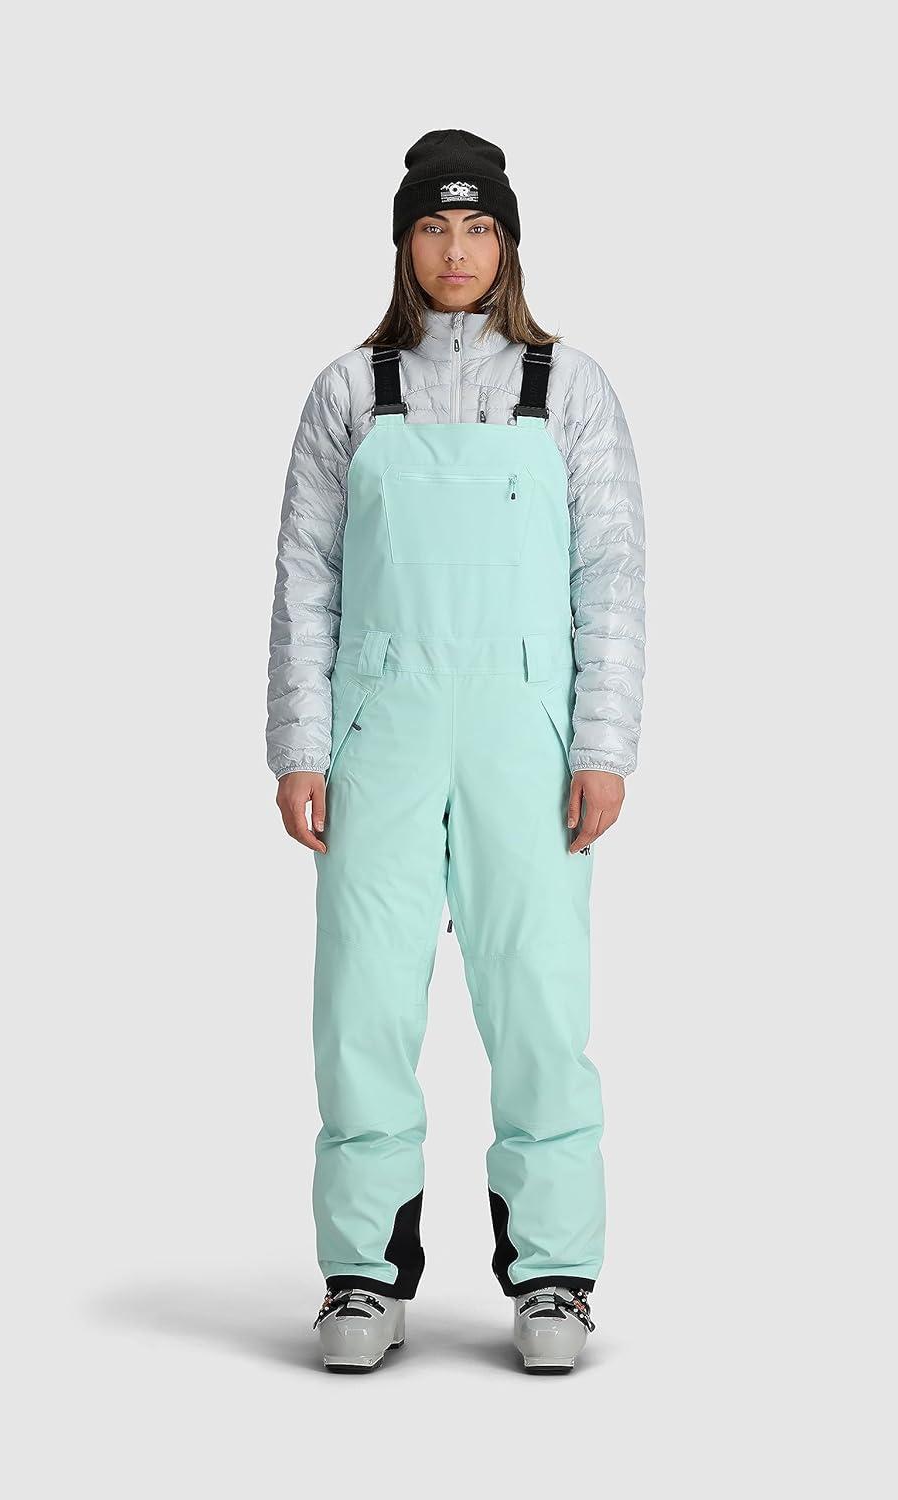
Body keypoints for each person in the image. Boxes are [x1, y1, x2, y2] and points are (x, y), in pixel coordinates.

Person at [265, 129, 646, 1373]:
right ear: (403, 242)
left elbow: (612, 575)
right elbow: (305, 581)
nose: (456, 250)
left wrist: (604, 745)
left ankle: (554, 1278)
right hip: (378, 729)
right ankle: (363, 1274)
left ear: (510, 242)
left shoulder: (566, 386)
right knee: (362, 1004)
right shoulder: (349, 391)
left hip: (525, 733)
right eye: (433, 226)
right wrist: (298, 746)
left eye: (479, 228)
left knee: (538, 998)